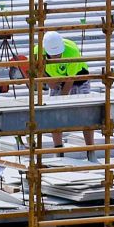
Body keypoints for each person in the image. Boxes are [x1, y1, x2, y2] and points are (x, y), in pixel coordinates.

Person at [40, 30, 97, 159]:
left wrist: (62, 97)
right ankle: (59, 152)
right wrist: (49, 82)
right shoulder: (39, 51)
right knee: (55, 117)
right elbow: (37, 69)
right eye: (54, 55)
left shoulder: (72, 51)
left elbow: (70, 79)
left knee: (86, 116)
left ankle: (91, 152)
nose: (58, 56)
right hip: (57, 79)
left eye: (59, 54)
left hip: (78, 80)